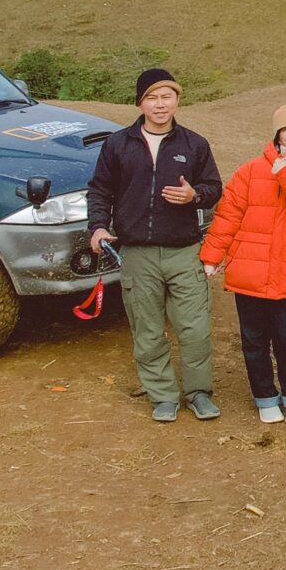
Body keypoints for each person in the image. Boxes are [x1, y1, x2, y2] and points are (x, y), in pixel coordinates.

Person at [86, 68, 224, 422]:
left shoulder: (194, 144)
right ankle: (162, 395)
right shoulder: (118, 144)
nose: (160, 105)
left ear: (177, 100)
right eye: (152, 98)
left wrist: (195, 195)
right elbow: (100, 189)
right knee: (147, 330)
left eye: (167, 97)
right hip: (137, 253)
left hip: (184, 252)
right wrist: (98, 227)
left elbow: (214, 188)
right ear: (140, 103)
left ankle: (198, 393)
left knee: (194, 329)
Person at [201, 104, 286, 424]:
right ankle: (264, 397)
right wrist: (212, 255)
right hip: (249, 271)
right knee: (254, 342)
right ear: (277, 136)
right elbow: (228, 216)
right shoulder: (249, 171)